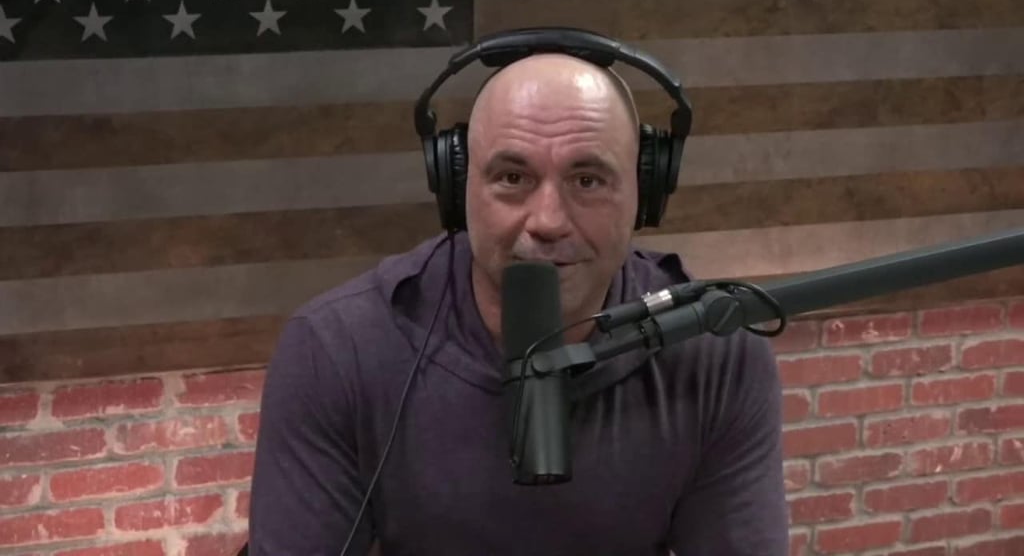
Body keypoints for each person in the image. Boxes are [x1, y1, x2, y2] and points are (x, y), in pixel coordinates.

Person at [246, 35, 788, 555]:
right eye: (512, 176)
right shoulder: (337, 352)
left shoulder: (714, 349)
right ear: (458, 192)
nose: (548, 221)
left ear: (645, 195)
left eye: (588, 181)